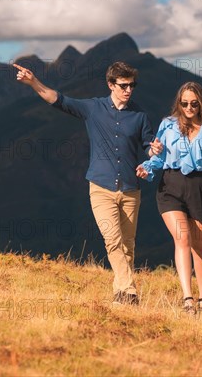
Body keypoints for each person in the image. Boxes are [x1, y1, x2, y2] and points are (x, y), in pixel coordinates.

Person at [13, 61, 163, 306]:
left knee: (127, 245)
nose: (129, 90)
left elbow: (148, 146)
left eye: (132, 85)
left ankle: (121, 295)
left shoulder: (140, 115)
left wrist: (153, 152)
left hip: (130, 188)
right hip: (101, 188)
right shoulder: (93, 108)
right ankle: (131, 292)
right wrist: (33, 82)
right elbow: (58, 99)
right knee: (112, 239)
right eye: (124, 85)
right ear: (111, 85)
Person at [136, 81, 202, 314]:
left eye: (194, 103)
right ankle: (187, 298)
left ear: (201, 104)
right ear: (179, 104)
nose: (189, 107)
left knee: (200, 247)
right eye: (185, 103)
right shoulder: (168, 125)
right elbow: (158, 154)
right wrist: (147, 167)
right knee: (183, 240)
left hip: (199, 188)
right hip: (170, 187)